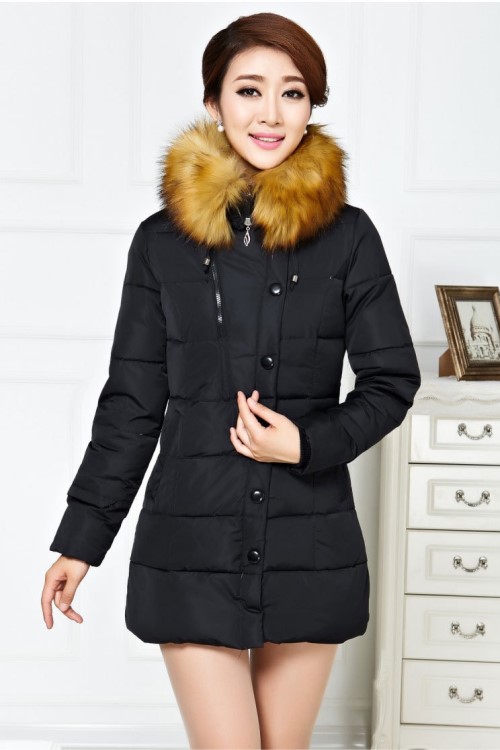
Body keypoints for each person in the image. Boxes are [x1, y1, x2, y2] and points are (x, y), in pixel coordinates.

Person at [41, 12, 421, 749]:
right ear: (214, 103)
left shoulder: (350, 237)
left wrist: (305, 444)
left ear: (311, 109)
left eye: (292, 93)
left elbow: (391, 381)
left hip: (310, 545)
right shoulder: (161, 243)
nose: (270, 113)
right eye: (249, 90)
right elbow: (132, 403)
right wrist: (81, 540)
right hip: (192, 543)